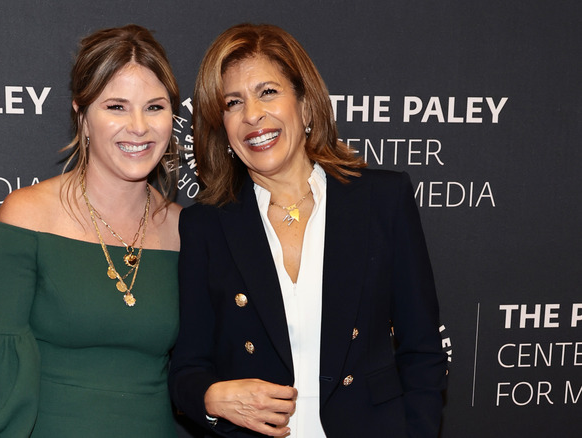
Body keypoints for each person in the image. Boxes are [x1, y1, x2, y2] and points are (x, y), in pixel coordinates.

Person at [169, 23, 447, 438]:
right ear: (221, 126)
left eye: (268, 92)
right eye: (232, 102)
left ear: (306, 105)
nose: (252, 115)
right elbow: (187, 370)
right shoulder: (204, 226)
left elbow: (423, 350)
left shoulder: (382, 200)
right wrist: (211, 398)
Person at [0, 24, 182, 437]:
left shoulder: (183, 228)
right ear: (82, 117)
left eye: (155, 107)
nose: (139, 126)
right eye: (116, 107)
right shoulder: (27, 215)